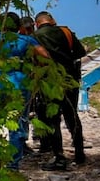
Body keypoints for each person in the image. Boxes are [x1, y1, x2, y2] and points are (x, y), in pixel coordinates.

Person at [0, 13, 48, 169]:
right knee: (16, 126)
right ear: (18, 26)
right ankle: (12, 165)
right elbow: (45, 56)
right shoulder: (25, 40)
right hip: (18, 86)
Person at [33, 11, 88, 169]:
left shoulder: (35, 37)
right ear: (52, 20)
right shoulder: (66, 31)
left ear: (37, 23)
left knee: (53, 119)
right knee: (72, 116)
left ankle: (59, 156)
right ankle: (79, 154)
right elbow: (80, 53)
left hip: (49, 81)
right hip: (70, 80)